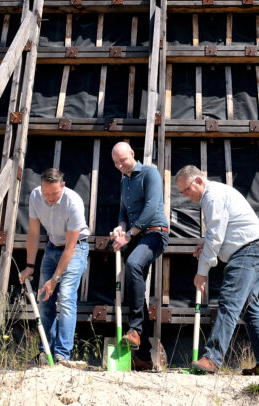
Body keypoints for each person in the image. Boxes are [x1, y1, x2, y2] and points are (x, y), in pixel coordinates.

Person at [174, 165, 259, 376]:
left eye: (186, 190)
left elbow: (215, 237)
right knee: (248, 307)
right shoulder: (214, 195)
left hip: (248, 249)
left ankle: (212, 358)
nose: (185, 196)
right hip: (254, 247)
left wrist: (202, 271)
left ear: (199, 181)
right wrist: (205, 245)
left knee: (230, 300)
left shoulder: (212, 197)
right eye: (182, 193)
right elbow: (221, 232)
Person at [19, 168, 89, 366]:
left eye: (54, 193)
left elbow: (71, 246)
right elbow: (33, 232)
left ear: (63, 186)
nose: (49, 197)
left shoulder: (73, 202)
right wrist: (30, 266)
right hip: (51, 248)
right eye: (46, 192)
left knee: (65, 297)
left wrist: (55, 279)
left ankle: (61, 355)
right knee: (44, 297)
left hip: (75, 249)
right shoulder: (35, 196)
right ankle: (45, 352)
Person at [110, 141, 169, 371]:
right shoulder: (124, 180)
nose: (120, 165)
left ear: (132, 154)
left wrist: (130, 234)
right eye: (115, 163)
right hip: (136, 237)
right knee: (136, 292)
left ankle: (134, 330)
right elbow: (123, 213)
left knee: (133, 263)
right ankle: (144, 358)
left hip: (155, 233)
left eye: (122, 160)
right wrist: (120, 228)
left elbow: (153, 207)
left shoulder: (149, 173)